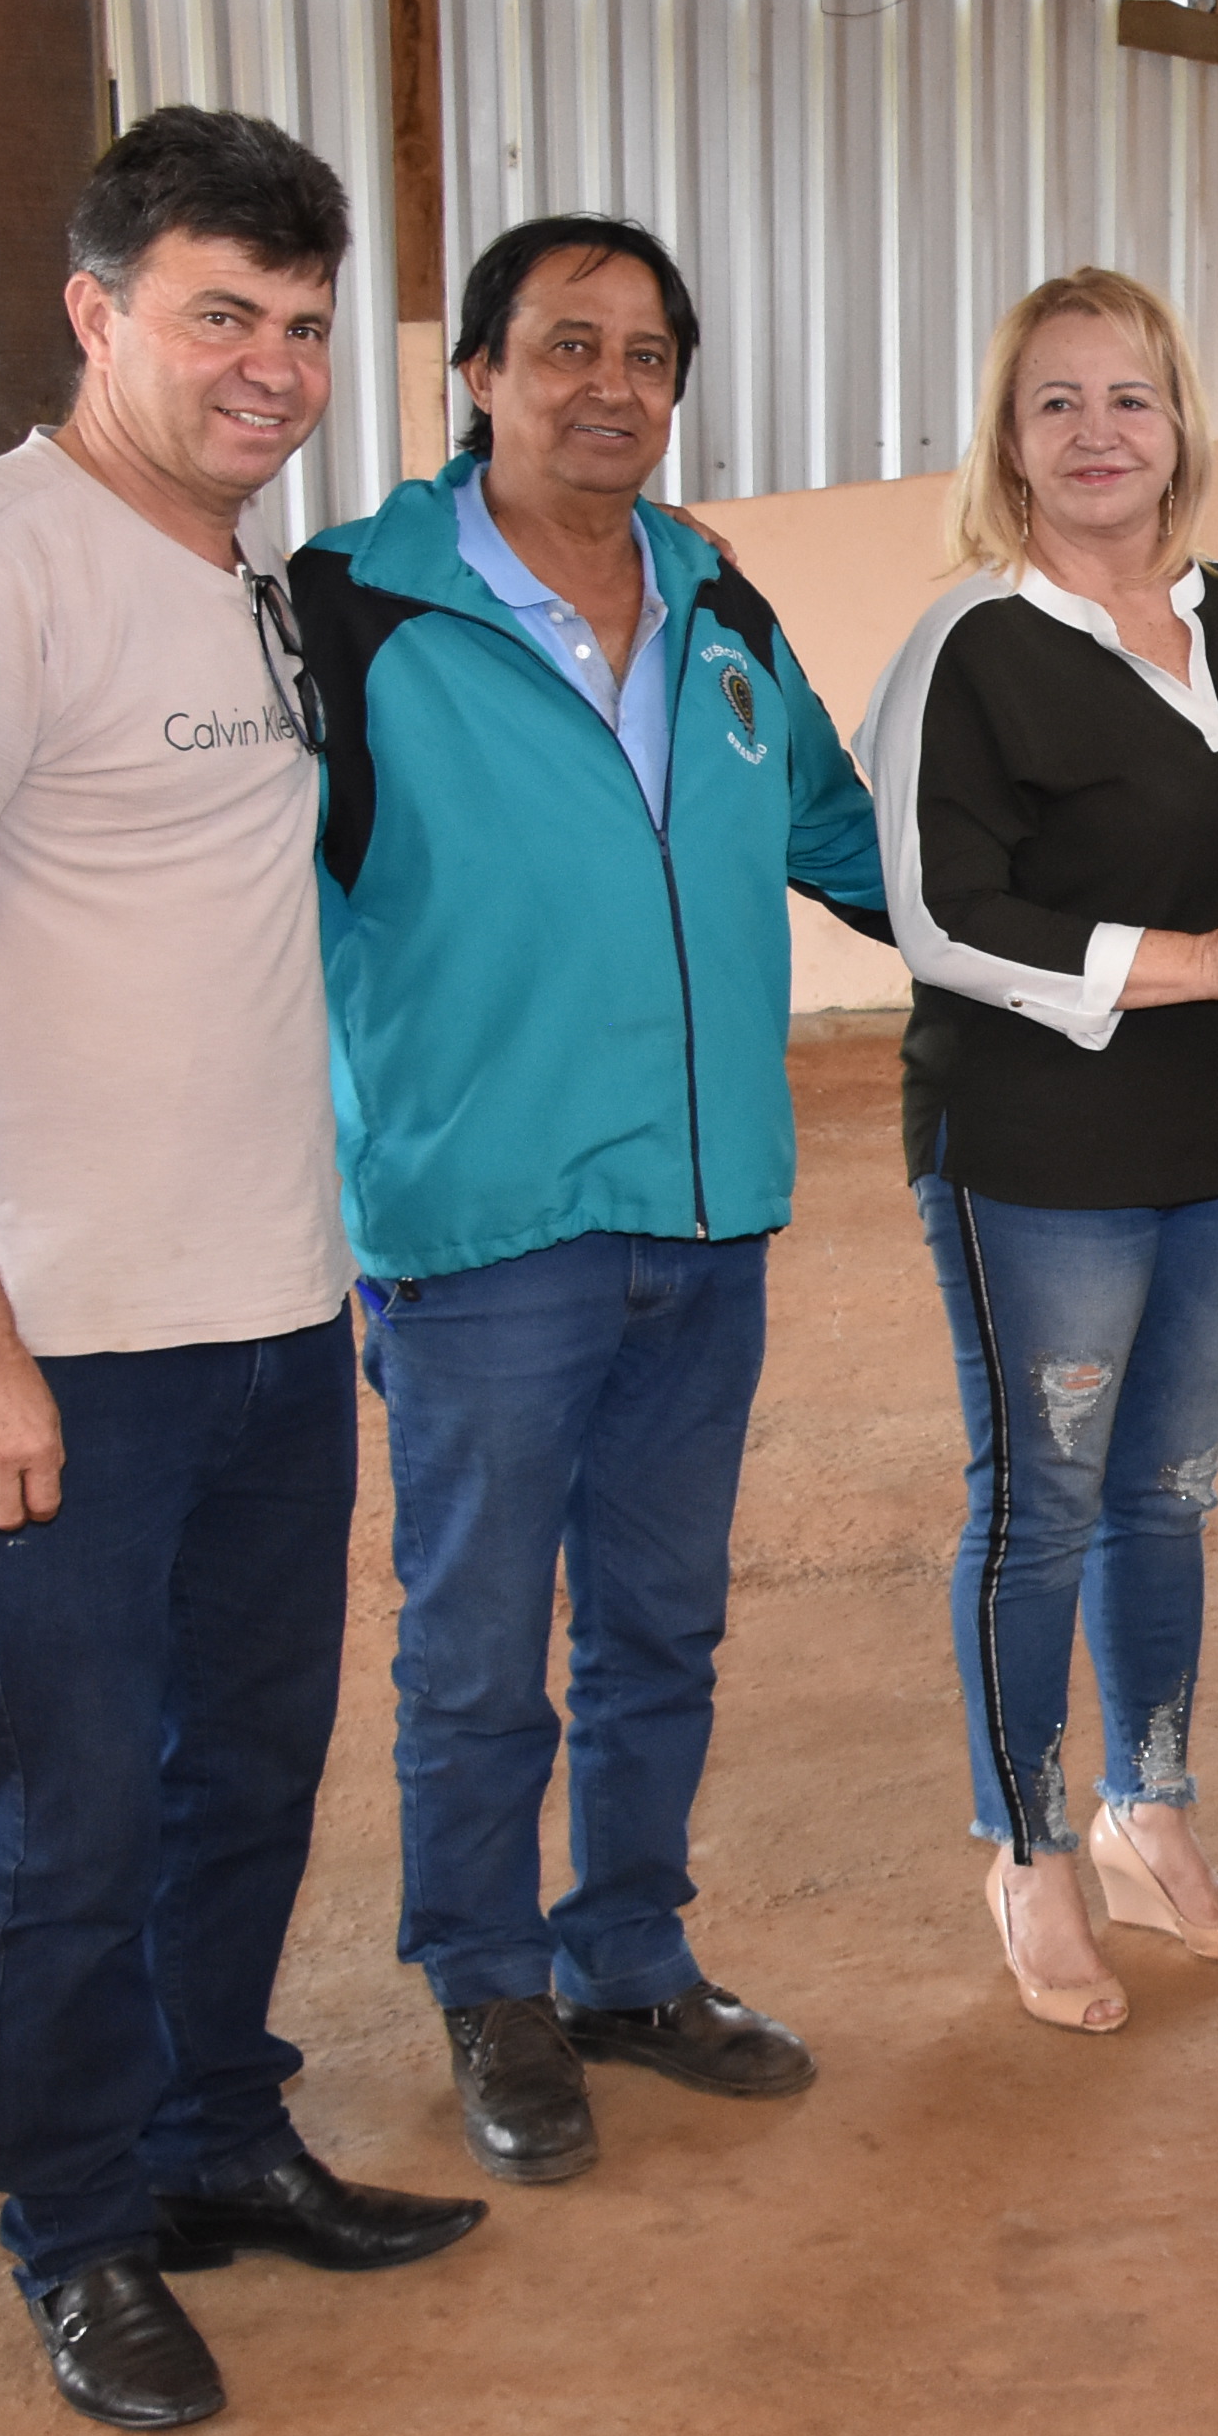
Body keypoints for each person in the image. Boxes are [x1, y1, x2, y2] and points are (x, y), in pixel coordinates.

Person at [0, 108, 485, 2432]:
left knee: (250, 1773)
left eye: (304, 329)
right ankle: (77, 2225)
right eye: (223, 315)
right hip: (62, 1347)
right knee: (80, 1802)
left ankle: (213, 2137)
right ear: (97, 314)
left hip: (270, 1310)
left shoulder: (232, 572)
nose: (271, 367)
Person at [294, 214, 890, 2184]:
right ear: (474, 375)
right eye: (563, 346)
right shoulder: (349, 616)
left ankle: (628, 1955)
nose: (608, 386)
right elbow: (234, 908)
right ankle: (487, 1981)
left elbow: (838, 835)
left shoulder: (719, 605)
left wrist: (1098, 944)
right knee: (474, 1644)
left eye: (645, 353)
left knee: (660, 1624)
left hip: (704, 1216)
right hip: (482, 1230)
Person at [853, 270, 1218, 2031]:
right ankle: (1031, 1848)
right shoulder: (967, 648)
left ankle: (1153, 1815)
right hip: (1037, 1147)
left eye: (1128, 397)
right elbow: (937, 911)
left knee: (1170, 1496)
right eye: (1054, 401)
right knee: (1044, 1500)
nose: (1095, 433)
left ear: (1181, 424)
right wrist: (1200, 962)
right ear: (1008, 438)